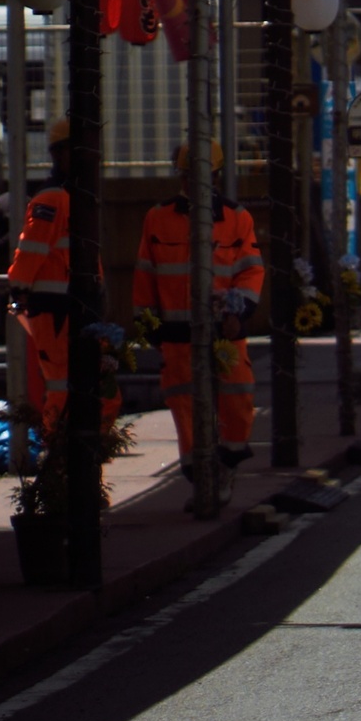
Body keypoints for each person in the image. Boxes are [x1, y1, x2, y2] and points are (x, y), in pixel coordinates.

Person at [133, 142, 264, 487]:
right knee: (185, 405)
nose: (192, 182)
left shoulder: (237, 219)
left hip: (225, 332)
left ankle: (228, 461)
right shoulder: (158, 218)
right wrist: (148, 324)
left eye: (200, 175)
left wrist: (240, 310)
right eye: (187, 175)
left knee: (237, 396)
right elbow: (145, 274)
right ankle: (200, 476)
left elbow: (252, 271)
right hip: (176, 334)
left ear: (216, 176)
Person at [2, 120, 119, 438]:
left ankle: (81, 460)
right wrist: (20, 287)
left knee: (94, 389)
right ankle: (61, 460)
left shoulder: (70, 198)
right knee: (64, 388)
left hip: (73, 310)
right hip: (56, 312)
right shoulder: (52, 200)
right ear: (62, 154)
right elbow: (30, 253)